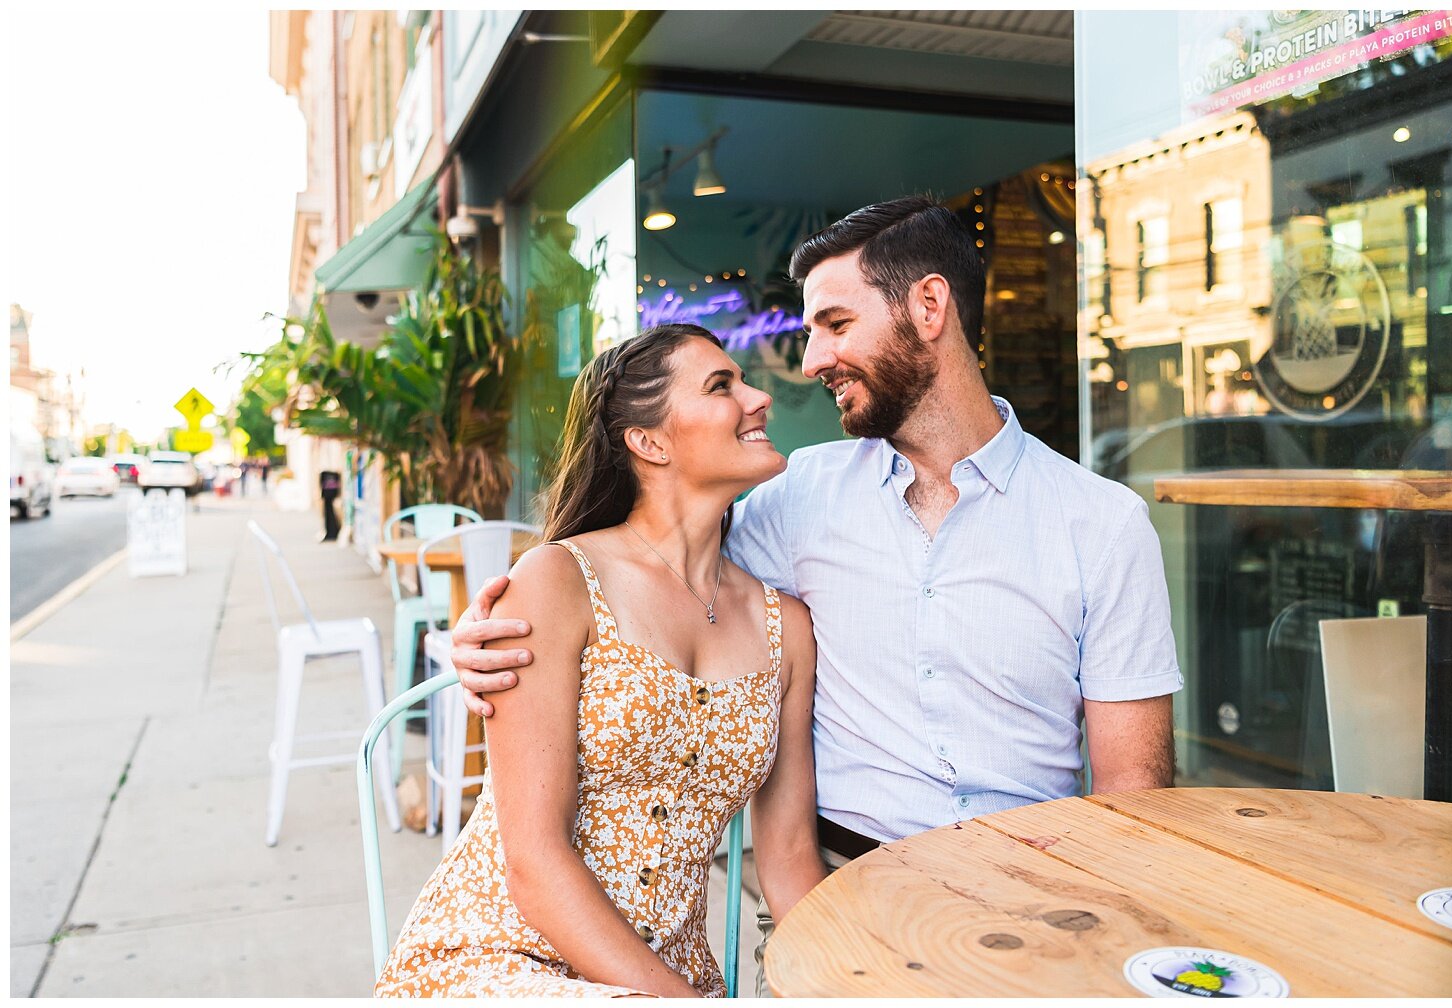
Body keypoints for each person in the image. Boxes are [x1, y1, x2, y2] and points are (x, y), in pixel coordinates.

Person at [452, 196, 1182, 994]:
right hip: (838, 883)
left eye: (835, 324)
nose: (808, 363)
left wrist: (1071, 913)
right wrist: (489, 632)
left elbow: (1132, 797)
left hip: (1029, 892)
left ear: (928, 307)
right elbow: (641, 572)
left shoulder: (1103, 525)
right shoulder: (799, 498)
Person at [375, 323, 826, 997]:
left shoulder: (784, 627)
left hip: (662, 981)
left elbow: (787, 859)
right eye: (722, 385)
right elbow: (534, 860)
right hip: (499, 957)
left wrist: (860, 977)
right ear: (648, 442)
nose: (758, 398)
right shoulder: (558, 582)